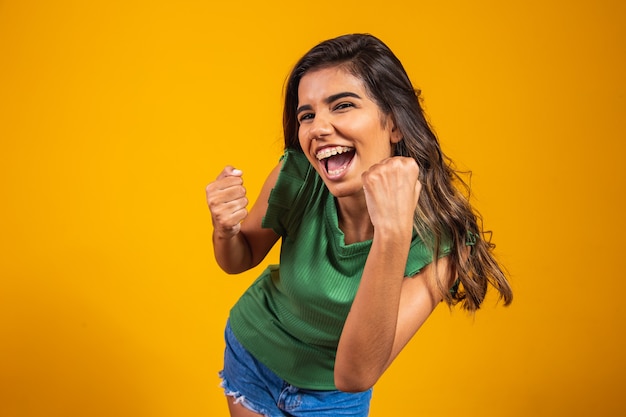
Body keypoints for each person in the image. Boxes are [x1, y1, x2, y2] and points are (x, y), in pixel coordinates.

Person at [205, 33, 513, 417]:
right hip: (253, 352)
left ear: (395, 123)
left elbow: (355, 375)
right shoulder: (298, 175)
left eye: (343, 106)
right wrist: (225, 229)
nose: (318, 128)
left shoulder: (443, 243)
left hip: (332, 397)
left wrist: (393, 231)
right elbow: (239, 258)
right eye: (307, 115)